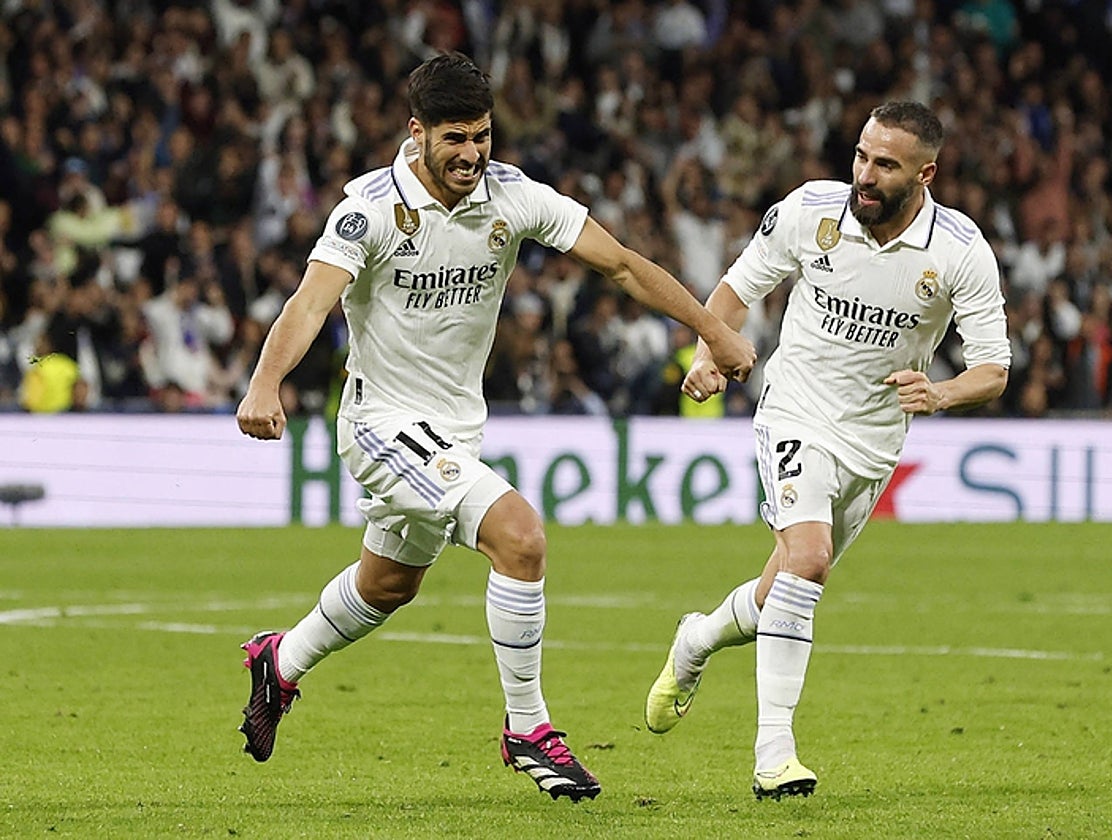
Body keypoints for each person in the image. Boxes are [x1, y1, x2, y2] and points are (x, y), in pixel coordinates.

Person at [234, 52, 756, 802]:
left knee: (388, 585)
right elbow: (311, 303)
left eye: (482, 135)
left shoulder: (514, 196)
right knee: (521, 536)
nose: (472, 154)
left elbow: (623, 267)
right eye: (455, 138)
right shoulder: (370, 210)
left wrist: (715, 330)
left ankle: (279, 662)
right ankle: (528, 730)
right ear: (417, 134)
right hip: (381, 424)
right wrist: (264, 382)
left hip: (452, 430)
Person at [644, 101, 1011, 799]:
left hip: (873, 444)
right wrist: (707, 354)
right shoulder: (811, 211)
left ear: (926, 173)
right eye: (861, 157)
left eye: (885, 166)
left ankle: (696, 639)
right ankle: (773, 756)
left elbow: (993, 368)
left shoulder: (960, 251)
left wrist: (941, 394)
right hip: (795, 412)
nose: (864, 176)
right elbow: (735, 290)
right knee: (808, 562)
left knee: (780, 589)